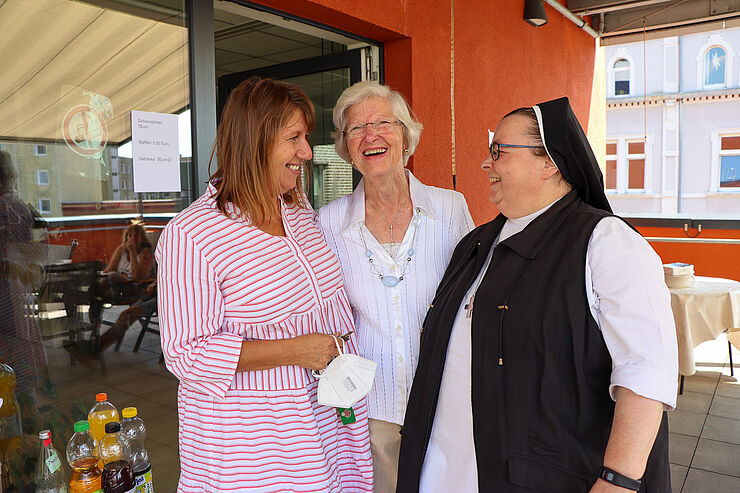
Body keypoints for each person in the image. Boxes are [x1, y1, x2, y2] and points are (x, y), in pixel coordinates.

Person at [397, 97, 678, 493]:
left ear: (550, 162)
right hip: (449, 468)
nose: (485, 164)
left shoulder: (605, 242)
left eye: (498, 151)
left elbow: (647, 370)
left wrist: (619, 479)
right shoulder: (476, 243)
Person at [155, 77, 373, 492]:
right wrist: (295, 349)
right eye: (293, 138)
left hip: (326, 424)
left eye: (305, 137)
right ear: (253, 143)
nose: (306, 153)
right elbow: (186, 353)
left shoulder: (298, 210)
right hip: (256, 447)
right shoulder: (193, 233)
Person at [318, 81, 473, 493]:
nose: (370, 136)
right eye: (356, 129)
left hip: (444, 398)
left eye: (383, 123)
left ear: (405, 135)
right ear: (346, 148)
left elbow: (473, 296)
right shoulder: (328, 222)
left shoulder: (450, 208)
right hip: (372, 408)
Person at [98, 223, 155, 302]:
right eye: (130, 235)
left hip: (135, 286)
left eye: (136, 236)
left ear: (142, 238)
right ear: (126, 237)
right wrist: (99, 276)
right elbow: (110, 268)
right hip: (117, 284)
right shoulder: (122, 249)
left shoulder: (146, 252)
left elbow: (137, 277)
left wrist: (132, 251)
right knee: (105, 280)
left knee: (113, 277)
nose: (133, 239)